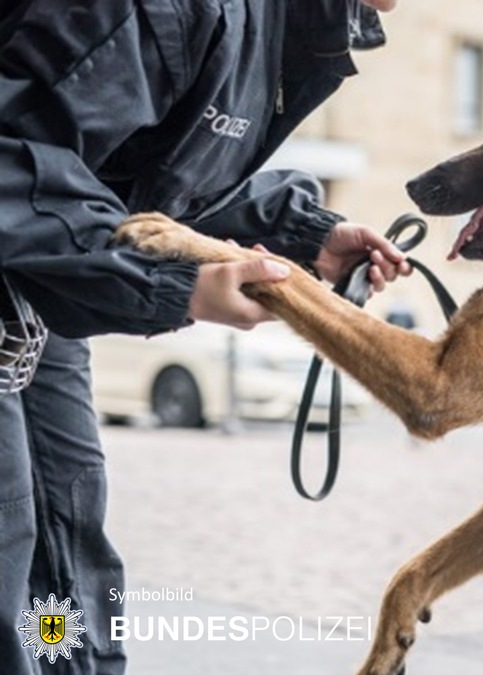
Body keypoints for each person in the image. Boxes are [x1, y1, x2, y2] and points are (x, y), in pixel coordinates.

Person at [0, 1, 405, 673]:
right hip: (26, 274)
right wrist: (172, 282)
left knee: (66, 548)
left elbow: (139, 176)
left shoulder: (293, 26)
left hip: (42, 295)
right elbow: (16, 158)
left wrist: (306, 235)